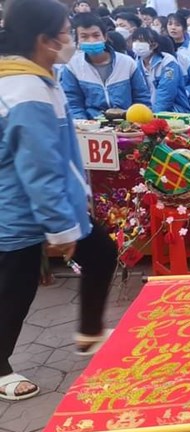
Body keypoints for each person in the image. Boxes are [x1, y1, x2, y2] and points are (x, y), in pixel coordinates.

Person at [0, 0, 118, 401]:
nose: (72, 41)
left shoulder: (37, 76)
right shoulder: (24, 87)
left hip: (45, 203)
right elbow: (39, 167)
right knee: (14, 289)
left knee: (101, 252)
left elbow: (56, 155)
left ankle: (90, 332)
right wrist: (63, 228)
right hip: (18, 209)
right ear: (44, 40)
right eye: (68, 33)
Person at [61, 13, 152, 119]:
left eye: (96, 35)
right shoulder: (73, 67)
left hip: (127, 123)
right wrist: (83, 124)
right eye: (84, 37)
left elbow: (141, 99)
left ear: (105, 37)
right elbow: (73, 103)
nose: (91, 40)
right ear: (77, 40)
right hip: (91, 124)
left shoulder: (127, 63)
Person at [132, 28, 190, 112]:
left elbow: (166, 92)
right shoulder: (136, 63)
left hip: (173, 110)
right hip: (147, 110)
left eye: (141, 41)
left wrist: (153, 113)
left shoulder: (168, 62)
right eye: (135, 40)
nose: (137, 44)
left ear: (154, 45)